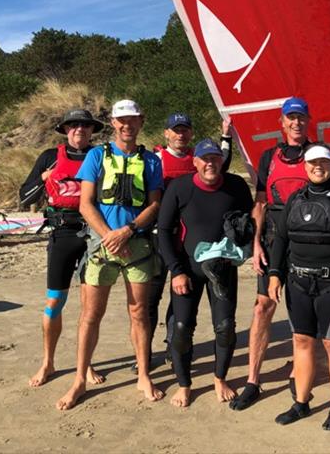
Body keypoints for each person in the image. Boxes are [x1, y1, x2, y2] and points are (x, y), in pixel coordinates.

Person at [56, 99, 165, 410]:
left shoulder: (152, 161)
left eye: (132, 119)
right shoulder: (96, 156)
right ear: (114, 123)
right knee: (91, 315)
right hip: (101, 246)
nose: (126, 125)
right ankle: (79, 378)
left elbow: (154, 205)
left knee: (139, 312)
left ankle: (143, 374)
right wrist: (109, 236)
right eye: (121, 120)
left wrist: (126, 231)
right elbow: (85, 203)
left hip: (137, 243)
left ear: (141, 121)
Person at [268, 143, 330, 431]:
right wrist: (275, 274)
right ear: (305, 166)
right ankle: (301, 402)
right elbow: (281, 239)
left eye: (323, 162)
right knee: (302, 341)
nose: (318, 167)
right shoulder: (296, 198)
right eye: (313, 162)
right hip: (298, 282)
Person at [157, 137, 253, 407]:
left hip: (222, 268)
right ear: (195, 162)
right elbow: (163, 232)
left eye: (215, 159)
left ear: (221, 161)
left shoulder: (235, 186)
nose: (210, 164)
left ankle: (219, 378)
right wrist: (176, 271)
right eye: (205, 159)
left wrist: (243, 249)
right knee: (181, 327)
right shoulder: (180, 188)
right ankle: (185, 384)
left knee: (225, 327)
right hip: (187, 269)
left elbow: (249, 222)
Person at [230, 97, 311, 411]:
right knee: (263, 308)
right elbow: (260, 203)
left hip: (306, 241)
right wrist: (256, 242)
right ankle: (253, 380)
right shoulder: (269, 157)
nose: (296, 123)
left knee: (299, 308)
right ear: (282, 122)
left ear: (308, 121)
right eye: (290, 118)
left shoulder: (319, 155)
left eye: (301, 118)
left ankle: (296, 372)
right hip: (274, 239)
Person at [20, 109, 105, 388]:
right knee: (54, 302)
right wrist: (45, 178)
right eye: (73, 125)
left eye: (85, 125)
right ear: (65, 129)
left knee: (88, 307)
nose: (79, 129)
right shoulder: (49, 156)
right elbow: (25, 196)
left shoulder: (101, 156)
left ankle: (86, 364)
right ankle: (48, 361)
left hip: (92, 234)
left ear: (92, 130)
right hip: (62, 234)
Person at [141, 113, 233, 371]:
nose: (180, 134)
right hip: (160, 239)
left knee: (179, 297)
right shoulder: (156, 158)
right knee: (150, 299)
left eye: (185, 130)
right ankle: (144, 354)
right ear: (166, 133)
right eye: (175, 130)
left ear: (191, 133)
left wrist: (226, 136)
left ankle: (174, 347)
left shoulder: (198, 158)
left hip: (187, 242)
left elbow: (221, 164)